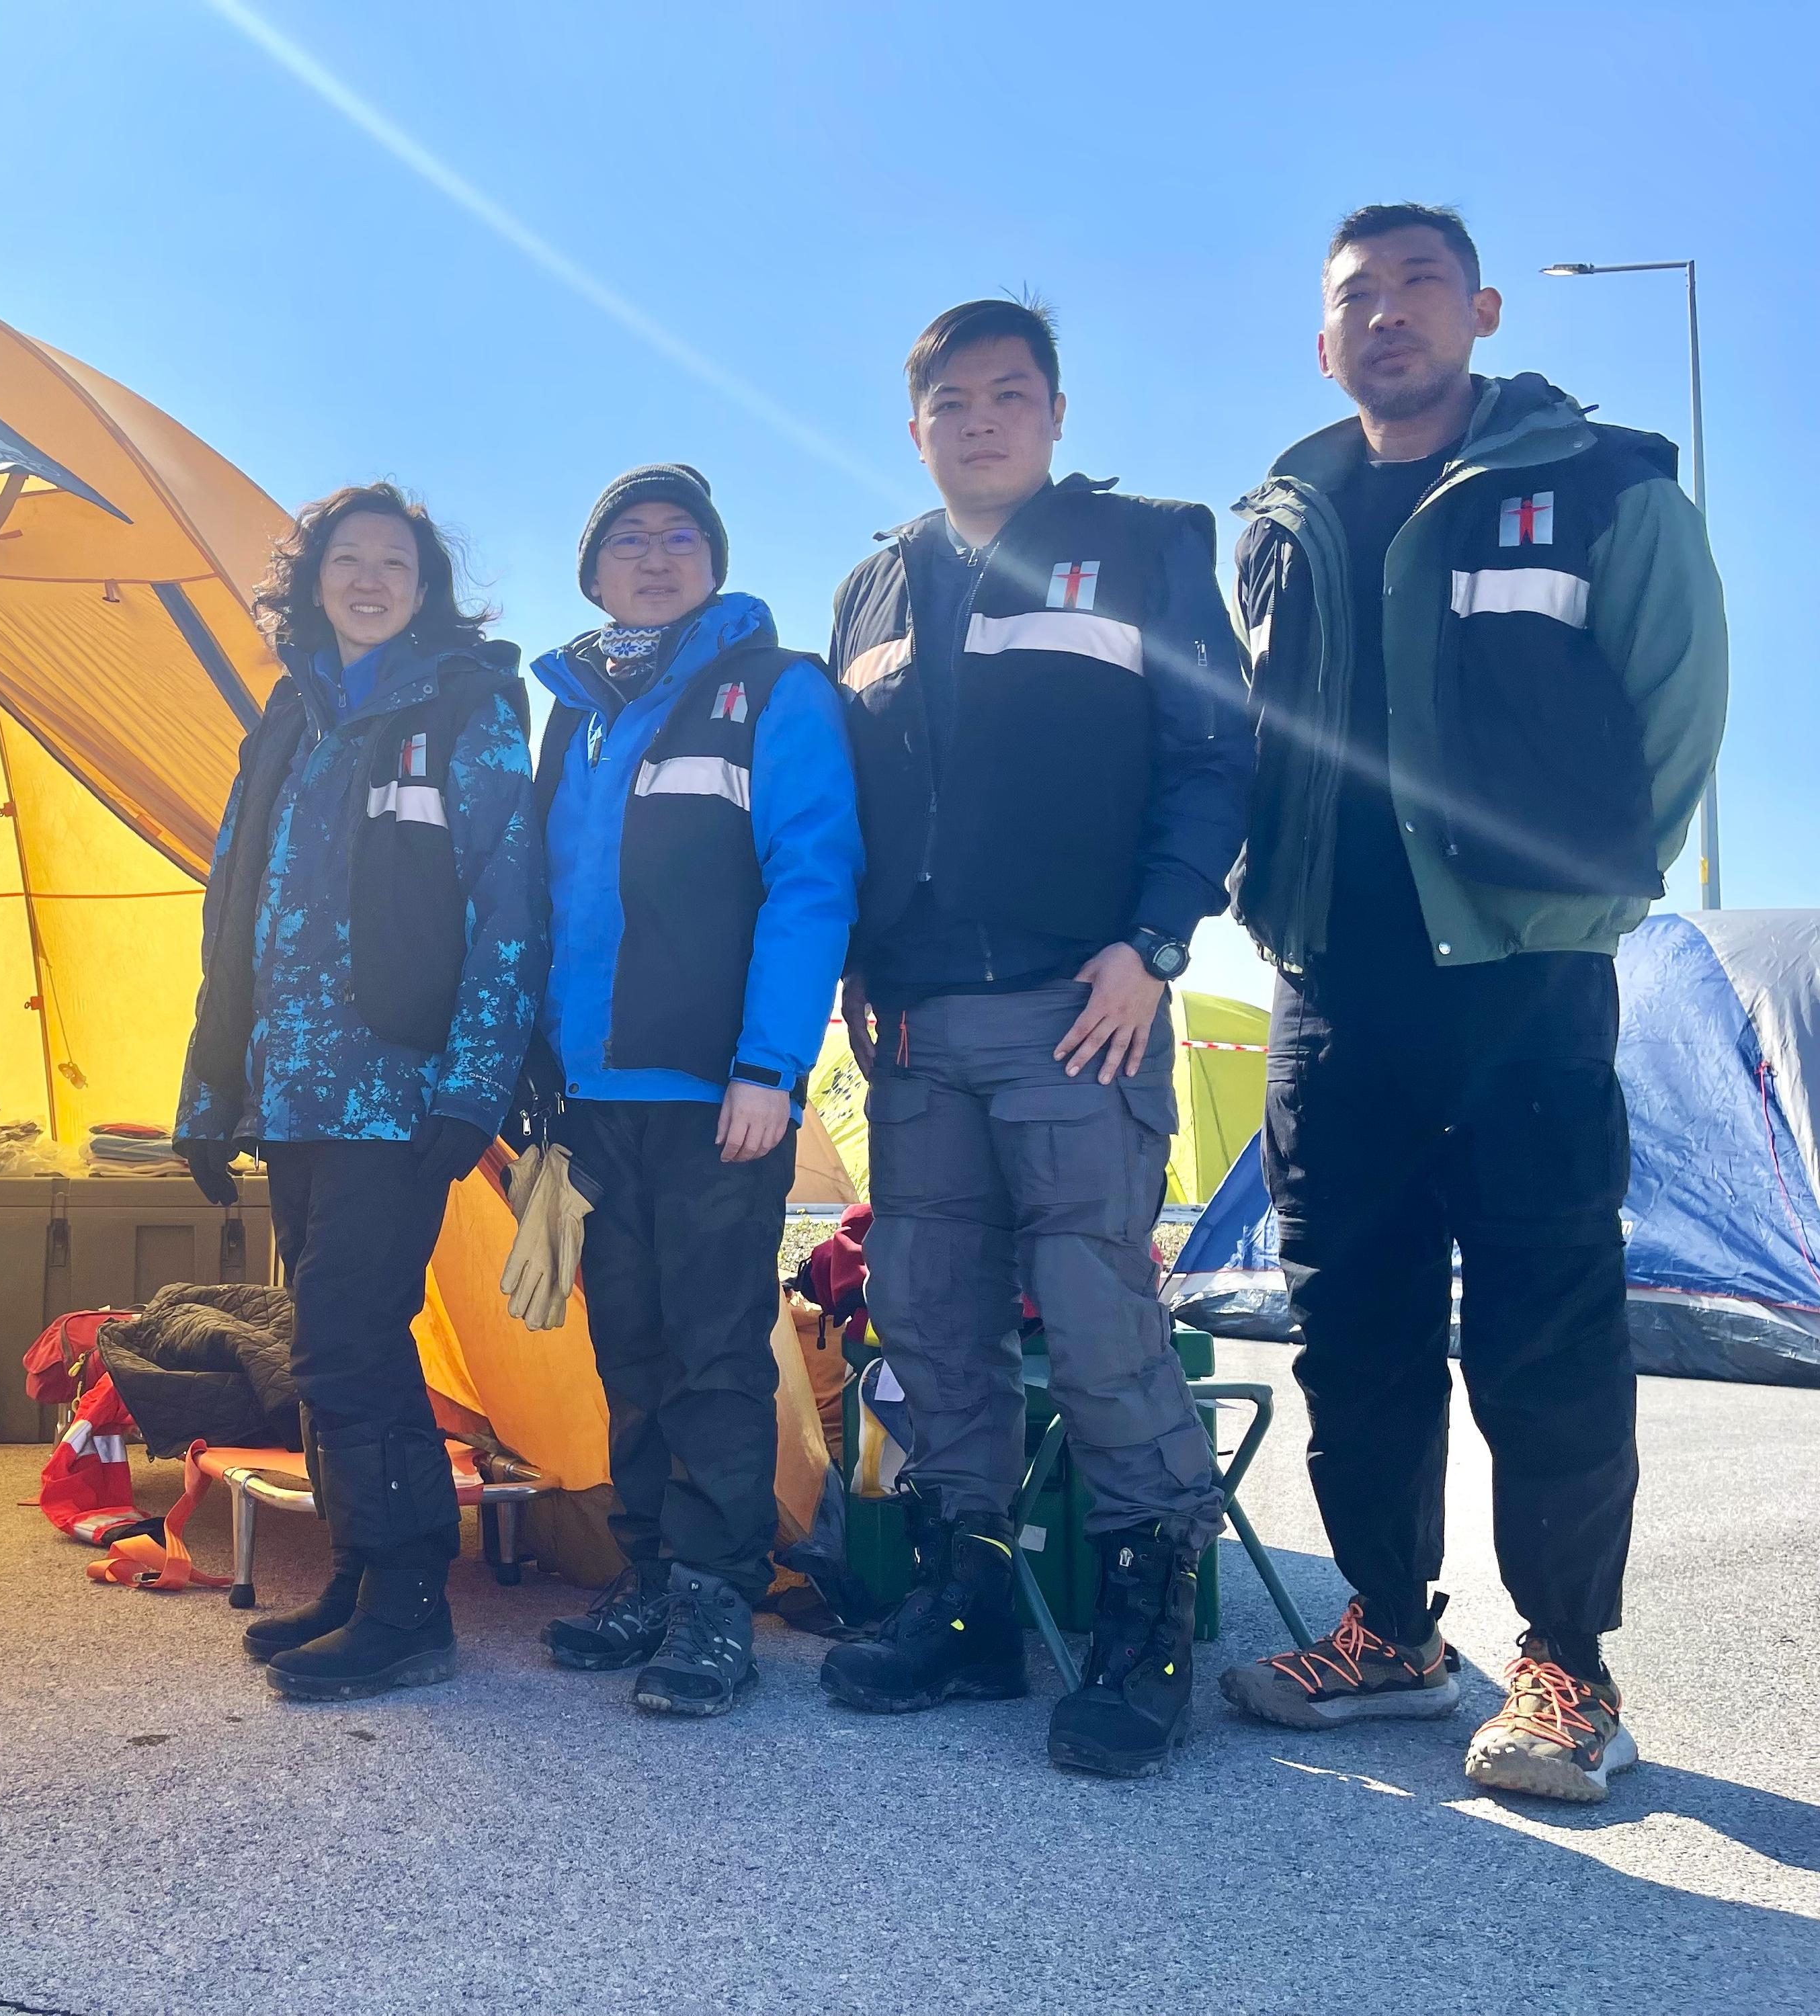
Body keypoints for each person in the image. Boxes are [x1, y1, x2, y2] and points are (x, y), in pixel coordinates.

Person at [1214, 206, 1726, 1804]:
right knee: (1352, 1328)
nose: (1387, 316)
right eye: (1354, 297)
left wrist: (1587, 902)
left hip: (1519, 978)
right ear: (1320, 342)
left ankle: (1566, 1668)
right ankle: (1387, 1631)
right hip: (1330, 987)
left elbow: (1675, 703)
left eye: (1418, 285)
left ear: (1480, 309)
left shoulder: (1602, 486)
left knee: (1542, 1329)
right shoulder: (1282, 519)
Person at [821, 298, 1253, 1778]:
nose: (980, 420)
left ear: (1055, 414)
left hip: (1083, 1011)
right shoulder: (870, 590)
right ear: (915, 426)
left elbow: (1211, 761)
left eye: (1009, 395)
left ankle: (1146, 1627)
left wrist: (1150, 946)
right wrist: (862, 962)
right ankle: (965, 1605)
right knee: (928, 1316)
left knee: (1096, 1319)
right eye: (951, 399)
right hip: (919, 1023)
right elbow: (852, 810)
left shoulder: (1142, 549)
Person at [174, 484, 546, 1702]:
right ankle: (358, 1572)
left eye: (396, 562)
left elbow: (509, 899)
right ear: (314, 578)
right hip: (293, 1086)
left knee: (347, 1330)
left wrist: (475, 1082)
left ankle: (411, 1603)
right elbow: (236, 904)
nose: (371, 578)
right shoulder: (286, 714)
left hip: (400, 1084)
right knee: (330, 1337)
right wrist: (209, 1082)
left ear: (427, 585)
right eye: (349, 559)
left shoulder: (469, 706)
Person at [529, 464, 862, 1717]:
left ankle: (720, 1593)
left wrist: (771, 1067)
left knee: (719, 1345)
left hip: (723, 1090)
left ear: (714, 563)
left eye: (680, 537)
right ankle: (652, 1572)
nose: (655, 556)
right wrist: (538, 1077)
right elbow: (548, 903)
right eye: (629, 539)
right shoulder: (575, 711)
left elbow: (812, 879)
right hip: (593, 1093)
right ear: (593, 568)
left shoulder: (771, 693)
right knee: (630, 1341)